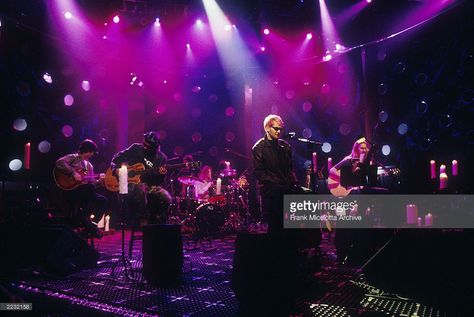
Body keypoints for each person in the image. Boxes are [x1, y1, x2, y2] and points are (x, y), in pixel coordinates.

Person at [252, 114, 300, 234]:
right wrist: (278, 182)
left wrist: (295, 184)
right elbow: (259, 173)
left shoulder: (285, 146)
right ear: (267, 128)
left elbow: (290, 169)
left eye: (280, 129)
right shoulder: (258, 148)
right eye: (276, 128)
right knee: (277, 220)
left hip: (285, 186)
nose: (279, 131)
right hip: (271, 189)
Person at [110, 131, 172, 225]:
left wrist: (161, 174)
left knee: (167, 197)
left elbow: (159, 181)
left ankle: (160, 224)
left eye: (148, 146)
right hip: (130, 183)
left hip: (150, 185)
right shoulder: (136, 148)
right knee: (140, 188)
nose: (144, 147)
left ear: (156, 147)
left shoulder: (161, 158)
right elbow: (116, 159)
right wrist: (116, 170)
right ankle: (142, 221)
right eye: (144, 144)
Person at [55, 139, 106, 238]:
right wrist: (73, 173)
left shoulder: (90, 166)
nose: (91, 154)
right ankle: (85, 221)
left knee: (103, 200)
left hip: (85, 191)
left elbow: (91, 183)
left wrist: (100, 182)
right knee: (89, 189)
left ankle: (91, 224)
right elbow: (59, 163)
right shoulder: (73, 157)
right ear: (86, 150)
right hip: (72, 190)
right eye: (90, 152)